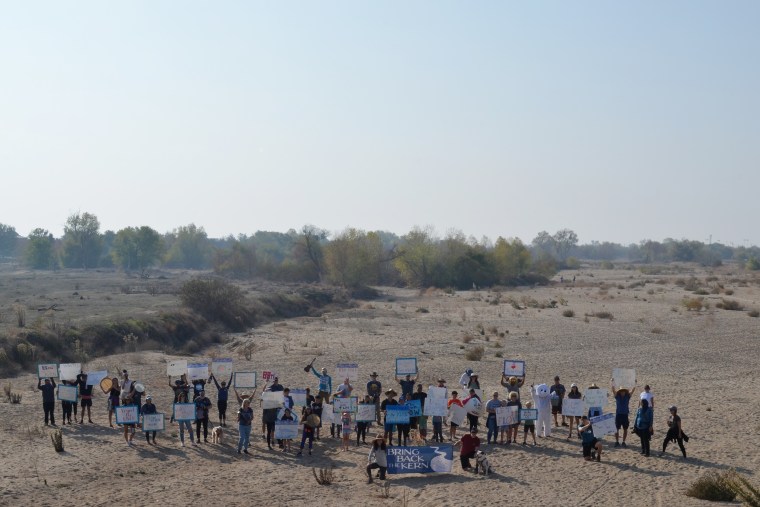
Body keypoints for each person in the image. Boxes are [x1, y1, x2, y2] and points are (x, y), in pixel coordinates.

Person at [612, 381, 636, 448]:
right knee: (616, 429)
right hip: (618, 415)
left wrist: (634, 383)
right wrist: (612, 382)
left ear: (625, 391)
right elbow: (613, 390)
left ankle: (623, 442)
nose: (622, 392)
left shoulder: (627, 396)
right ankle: (616, 441)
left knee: (625, 429)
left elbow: (633, 390)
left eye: (623, 391)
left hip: (625, 415)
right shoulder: (617, 396)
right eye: (621, 391)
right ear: (620, 391)